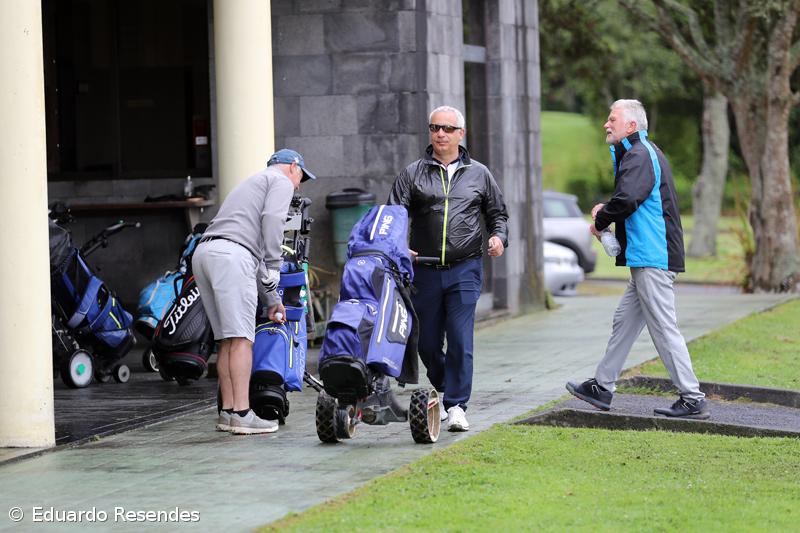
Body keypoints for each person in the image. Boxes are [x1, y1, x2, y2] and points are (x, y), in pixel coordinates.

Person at [566, 99, 709, 419]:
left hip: (653, 257)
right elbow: (632, 197)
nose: (607, 124)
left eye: (612, 119)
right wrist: (607, 211)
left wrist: (600, 221)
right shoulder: (640, 153)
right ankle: (602, 387)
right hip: (649, 256)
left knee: (663, 327)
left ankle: (692, 397)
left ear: (631, 125)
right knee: (624, 322)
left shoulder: (640, 154)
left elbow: (628, 199)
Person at [388, 105, 509, 432]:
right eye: (434, 127)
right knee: (426, 341)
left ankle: (456, 405)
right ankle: (443, 386)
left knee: (459, 338)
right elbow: (393, 216)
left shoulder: (479, 174)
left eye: (446, 128)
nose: (440, 133)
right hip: (424, 270)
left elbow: (498, 214)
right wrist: (398, 244)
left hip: (465, 269)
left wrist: (498, 237)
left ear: (460, 134)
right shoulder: (413, 173)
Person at [192, 149, 317, 434]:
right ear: (293, 167)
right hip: (232, 257)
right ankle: (242, 414)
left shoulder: (251, 183)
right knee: (241, 340)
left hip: (206, 253)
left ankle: (227, 412)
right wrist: (275, 264)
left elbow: (254, 250)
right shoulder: (281, 181)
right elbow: (273, 220)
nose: (298, 186)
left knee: (226, 340)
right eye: (301, 178)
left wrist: (272, 299)